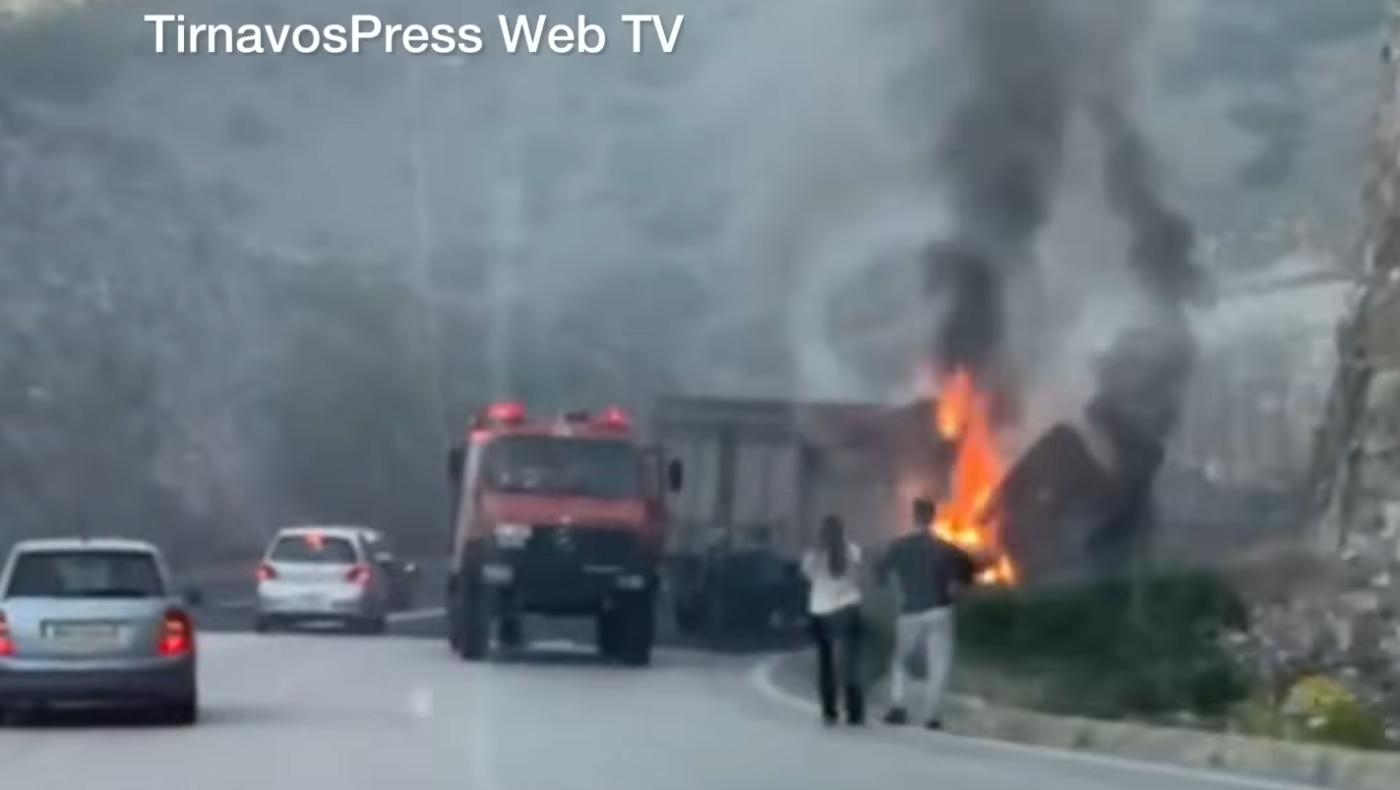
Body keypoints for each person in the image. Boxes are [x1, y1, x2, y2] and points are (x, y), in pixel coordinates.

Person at [875, 497, 977, 729]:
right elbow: (969, 569)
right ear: (933, 518)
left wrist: (896, 591)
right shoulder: (946, 549)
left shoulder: (898, 547)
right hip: (939, 610)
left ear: (914, 517)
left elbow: (880, 573)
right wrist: (957, 586)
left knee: (901, 661)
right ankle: (931, 716)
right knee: (939, 664)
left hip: (909, 611)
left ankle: (898, 707)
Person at [800, 515, 866, 726]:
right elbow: (857, 577)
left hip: (821, 610)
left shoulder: (813, 556)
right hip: (848, 608)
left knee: (826, 662)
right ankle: (854, 711)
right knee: (850, 662)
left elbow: (808, 576)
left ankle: (829, 710)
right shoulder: (853, 551)